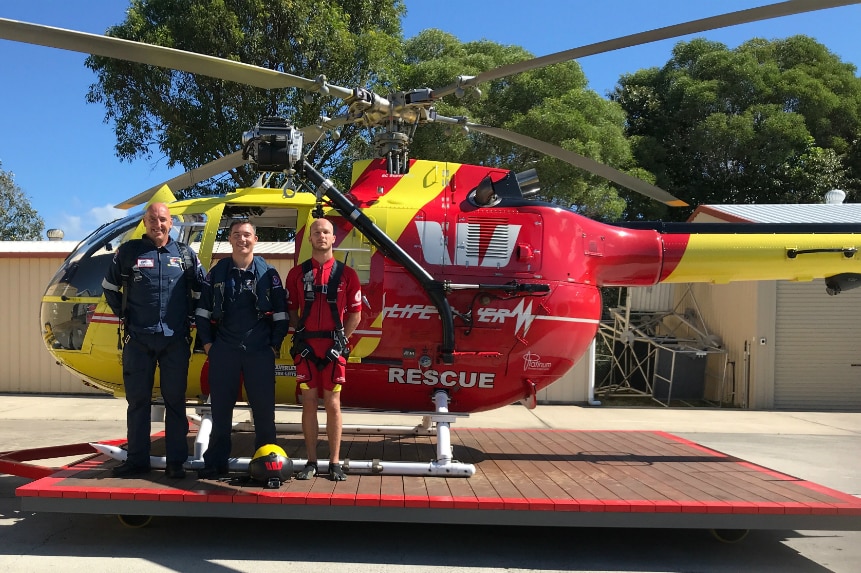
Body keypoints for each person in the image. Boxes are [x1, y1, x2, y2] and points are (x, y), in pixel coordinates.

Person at [102, 202, 205, 479]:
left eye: (162, 219)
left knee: (175, 403)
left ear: (171, 223)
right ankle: (137, 461)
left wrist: (191, 319)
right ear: (144, 223)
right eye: (152, 219)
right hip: (138, 340)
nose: (157, 224)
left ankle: (175, 463)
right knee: (138, 403)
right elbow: (110, 288)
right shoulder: (128, 252)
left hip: (175, 341)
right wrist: (127, 317)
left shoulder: (185, 255)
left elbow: (201, 289)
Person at [194, 220, 289, 479]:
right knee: (220, 411)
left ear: (255, 239)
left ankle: (267, 465)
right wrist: (209, 345)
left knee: (264, 413)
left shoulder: (269, 274)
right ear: (230, 239)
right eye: (237, 235)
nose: (242, 239)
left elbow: (281, 315)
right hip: (224, 351)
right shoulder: (217, 273)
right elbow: (202, 312)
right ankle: (215, 463)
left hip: (260, 352)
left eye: (247, 235)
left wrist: (273, 346)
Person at [286, 218, 361, 481]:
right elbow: (291, 310)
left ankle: (335, 462)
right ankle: (311, 461)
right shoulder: (296, 273)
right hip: (306, 350)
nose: (321, 236)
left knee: (333, 404)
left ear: (333, 238)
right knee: (308, 403)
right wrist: (303, 334)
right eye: (316, 232)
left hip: (334, 351)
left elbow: (356, 314)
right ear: (310, 239)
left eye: (326, 232)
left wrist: (341, 341)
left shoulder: (348, 275)